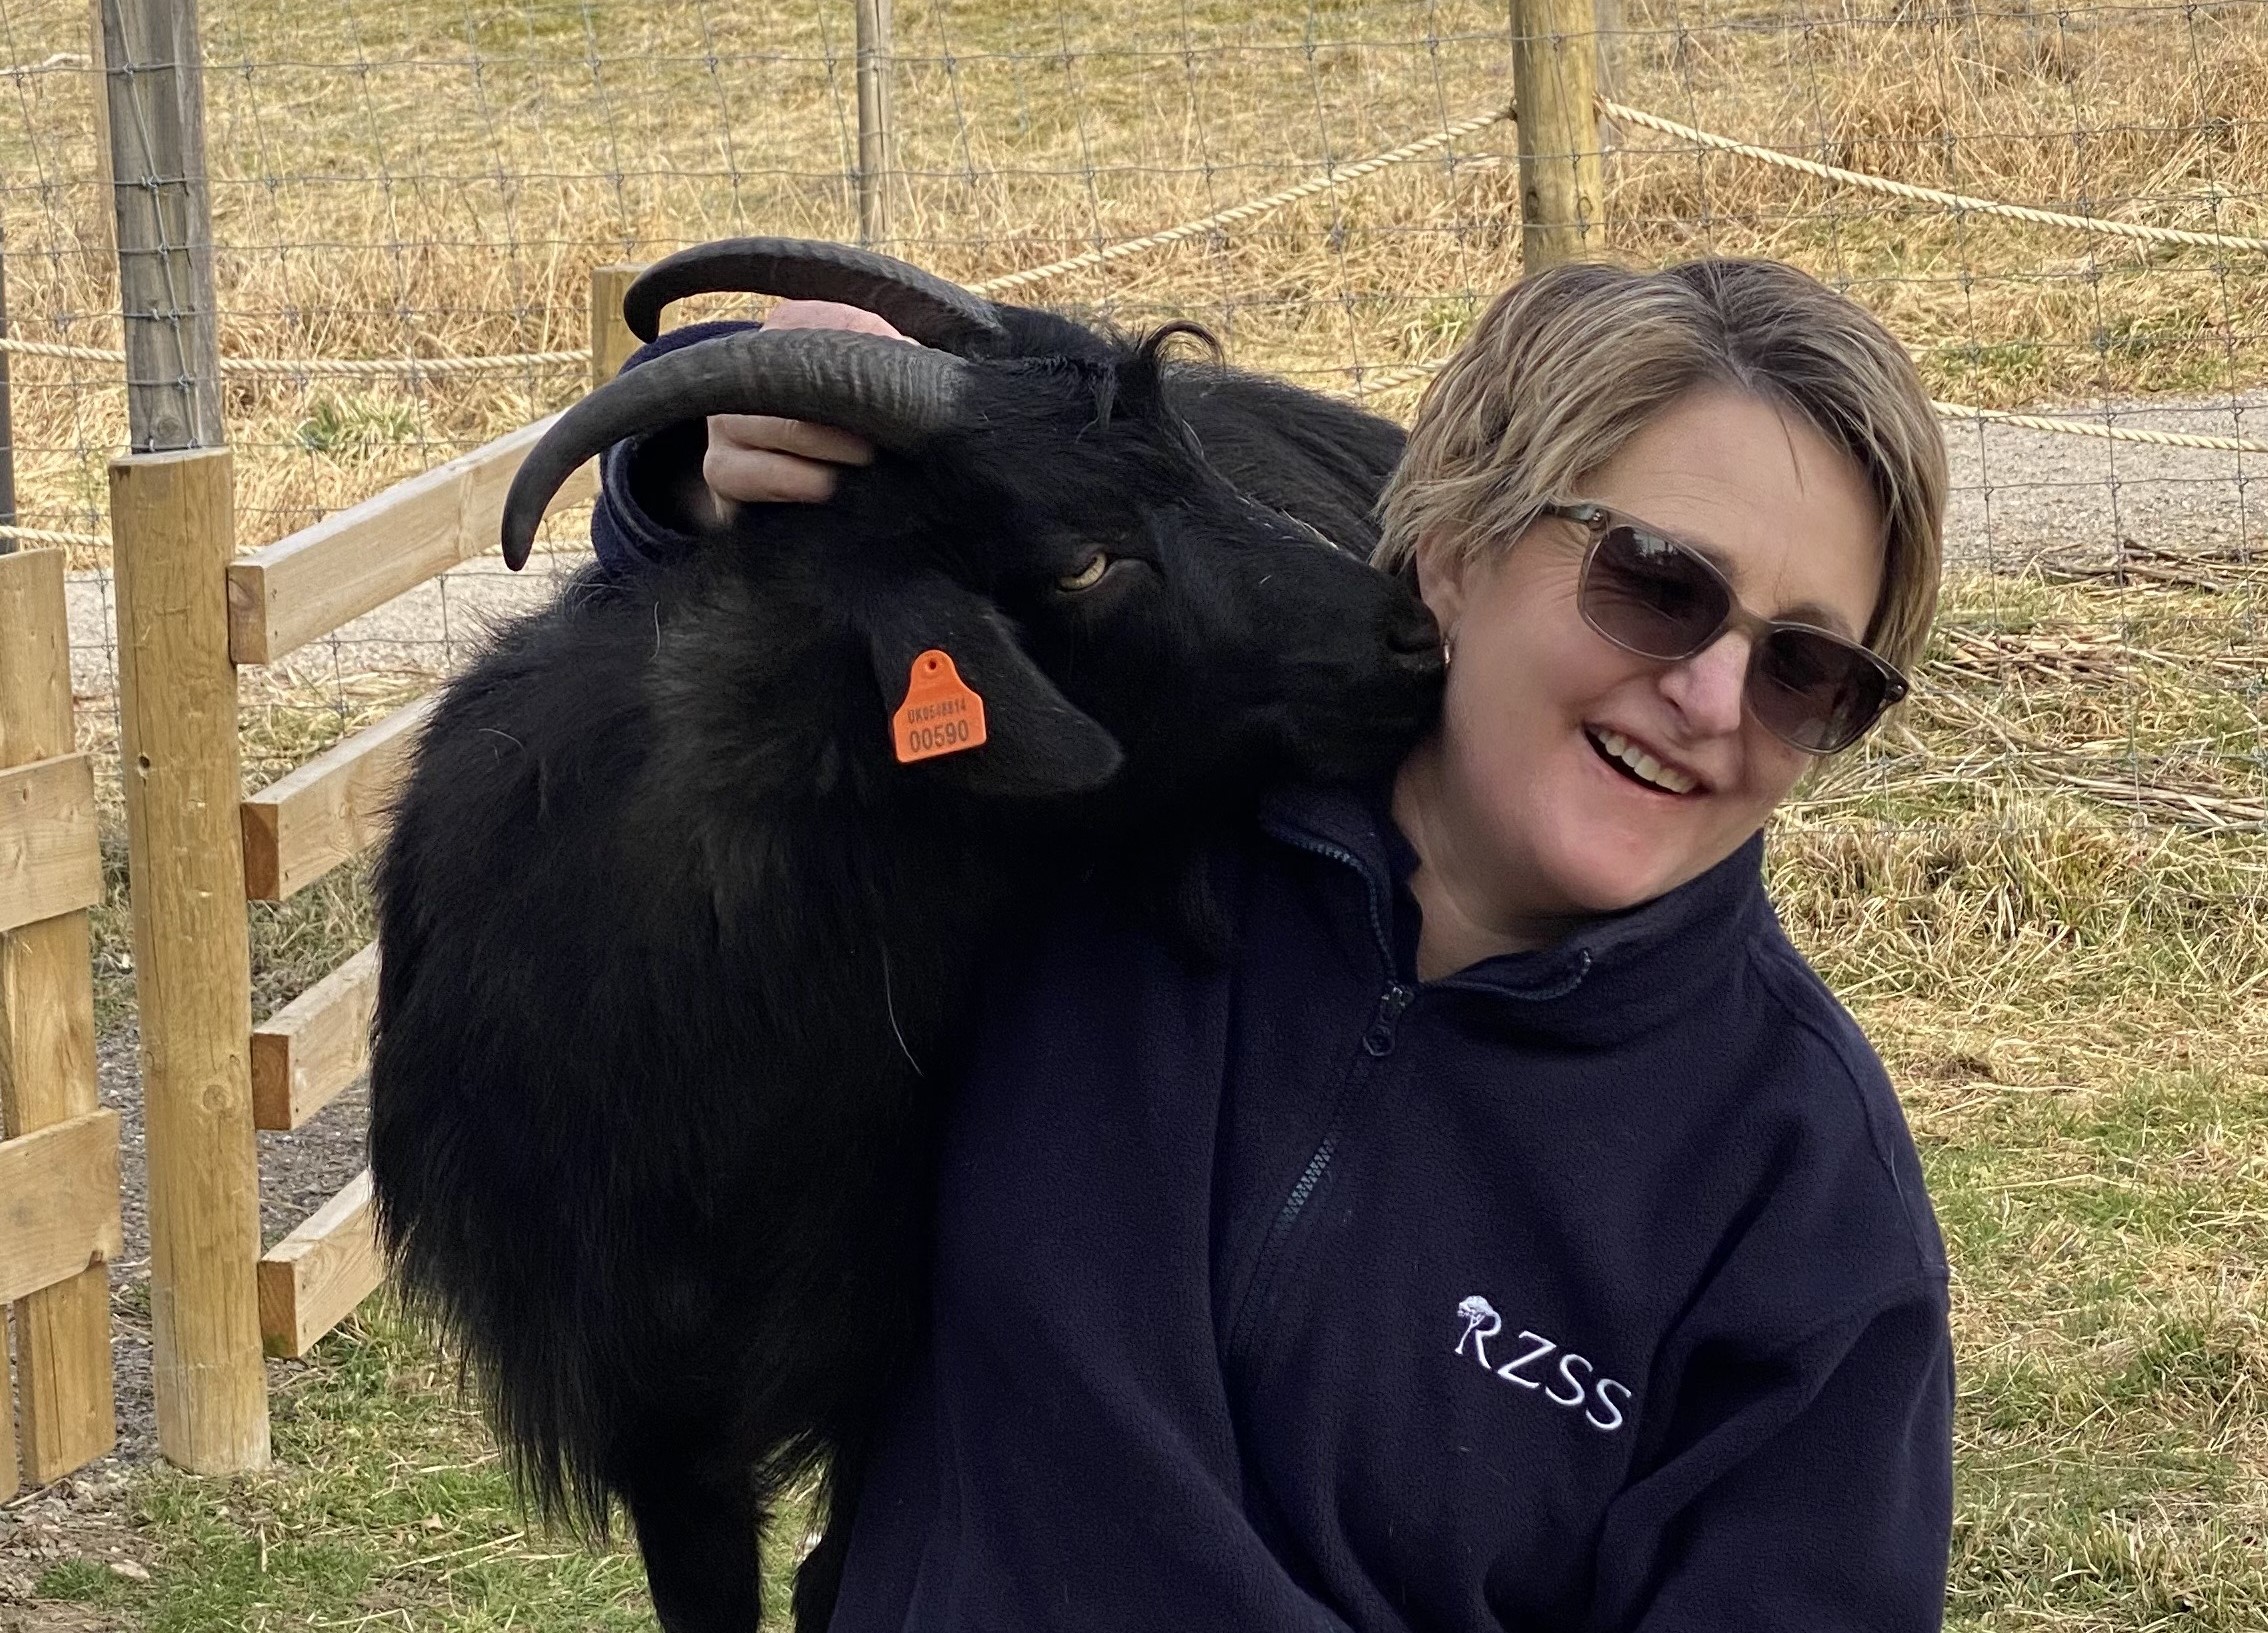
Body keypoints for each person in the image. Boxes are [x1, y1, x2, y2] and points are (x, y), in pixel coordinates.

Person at [590, 258, 1955, 1631]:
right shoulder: (1115, 792)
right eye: (1658, 583)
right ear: (1458, 546)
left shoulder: (1801, 1199)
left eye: (1805, 670)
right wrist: (697, 474)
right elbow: (791, 505)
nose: (1711, 697)